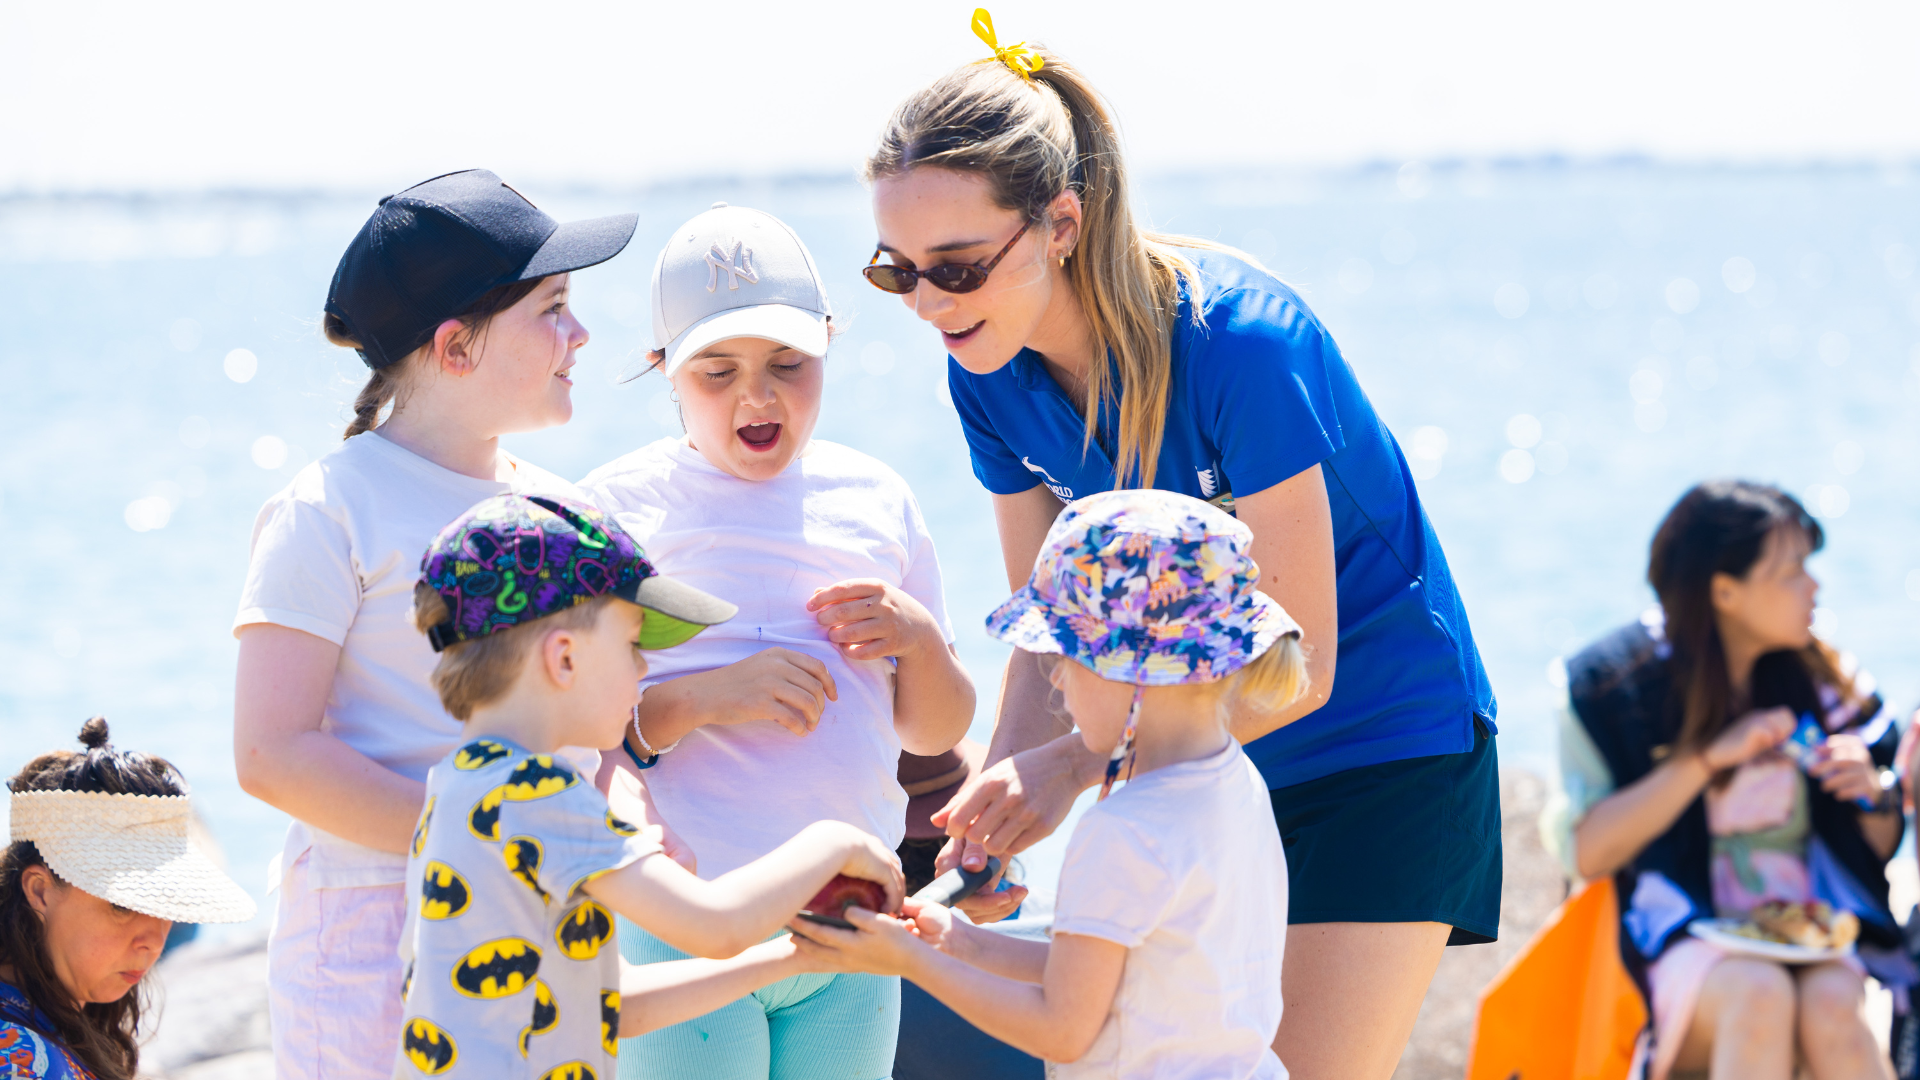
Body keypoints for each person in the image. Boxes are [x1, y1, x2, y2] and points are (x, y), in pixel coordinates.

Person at [860, 12, 1499, 1073]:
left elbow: (1303, 668)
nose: (928, 303)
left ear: (1061, 223)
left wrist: (1071, 766)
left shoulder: (1242, 345)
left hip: (1374, 750)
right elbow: (1051, 632)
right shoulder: (984, 369)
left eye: (959, 267)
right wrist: (981, 837)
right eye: (900, 272)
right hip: (1172, 770)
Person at [231, 169, 647, 1080]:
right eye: (553, 308)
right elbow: (270, 752)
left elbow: (597, 733)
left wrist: (605, 828)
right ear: (456, 346)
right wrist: (482, 835)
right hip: (370, 915)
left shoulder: (562, 510)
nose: (580, 335)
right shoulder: (330, 507)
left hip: (549, 901)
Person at [579, 202, 974, 1080]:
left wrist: (916, 640)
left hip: (852, 920)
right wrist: (700, 699)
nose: (756, 397)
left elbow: (935, 730)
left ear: (831, 342)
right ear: (663, 371)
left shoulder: (874, 496)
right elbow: (573, 736)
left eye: (787, 365)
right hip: (682, 916)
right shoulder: (613, 513)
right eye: (716, 373)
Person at [393, 492, 903, 1079]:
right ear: (563, 659)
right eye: (633, 645)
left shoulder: (460, 784)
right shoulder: (540, 792)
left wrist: (792, 960)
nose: (643, 670)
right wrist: (839, 843)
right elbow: (715, 925)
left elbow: (616, 1003)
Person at [794, 489, 1303, 1078]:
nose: (1056, 681)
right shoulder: (1235, 780)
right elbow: (1120, 966)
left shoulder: (1123, 831)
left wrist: (910, 960)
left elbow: (1062, 1028)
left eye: (1068, 656)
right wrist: (962, 944)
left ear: (1136, 675)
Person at [1544, 480, 1903, 1080]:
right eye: (1792, 572)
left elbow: (1877, 848)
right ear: (1724, 591)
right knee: (1756, 991)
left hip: (1812, 938)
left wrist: (1872, 791)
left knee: (1834, 1001)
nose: (1813, 586)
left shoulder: (1827, 682)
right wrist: (1707, 760)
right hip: (1673, 944)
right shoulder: (1616, 686)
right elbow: (1588, 852)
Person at [2, 718, 256, 1080]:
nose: (153, 941)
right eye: (123, 906)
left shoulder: (52, 1022)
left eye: (168, 904)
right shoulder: (20, 1060)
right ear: (39, 891)